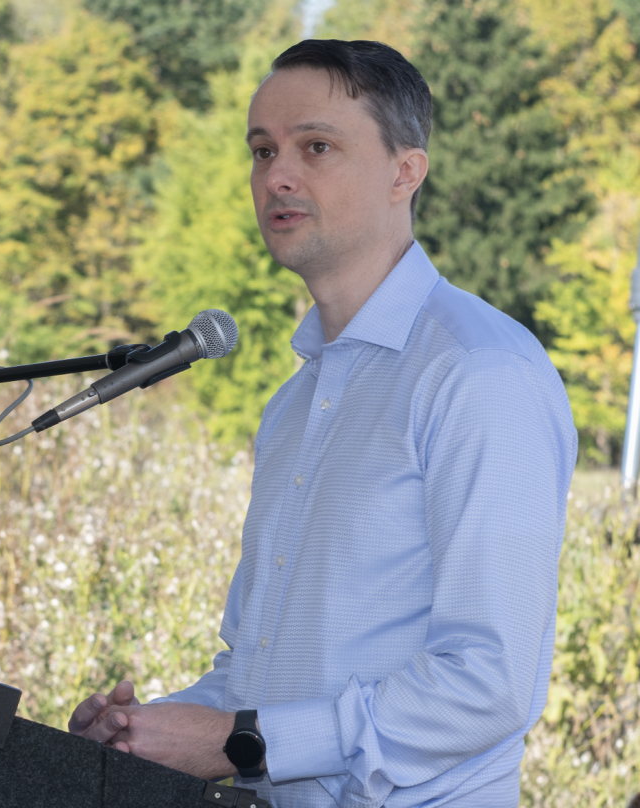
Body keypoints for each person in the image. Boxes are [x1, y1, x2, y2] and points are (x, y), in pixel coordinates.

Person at [68, 39, 577, 807]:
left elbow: (488, 681)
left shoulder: (477, 372)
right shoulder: (293, 405)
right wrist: (150, 731)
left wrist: (236, 742)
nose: (276, 174)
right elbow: (259, 676)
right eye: (262, 149)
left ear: (405, 172)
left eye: (316, 147)